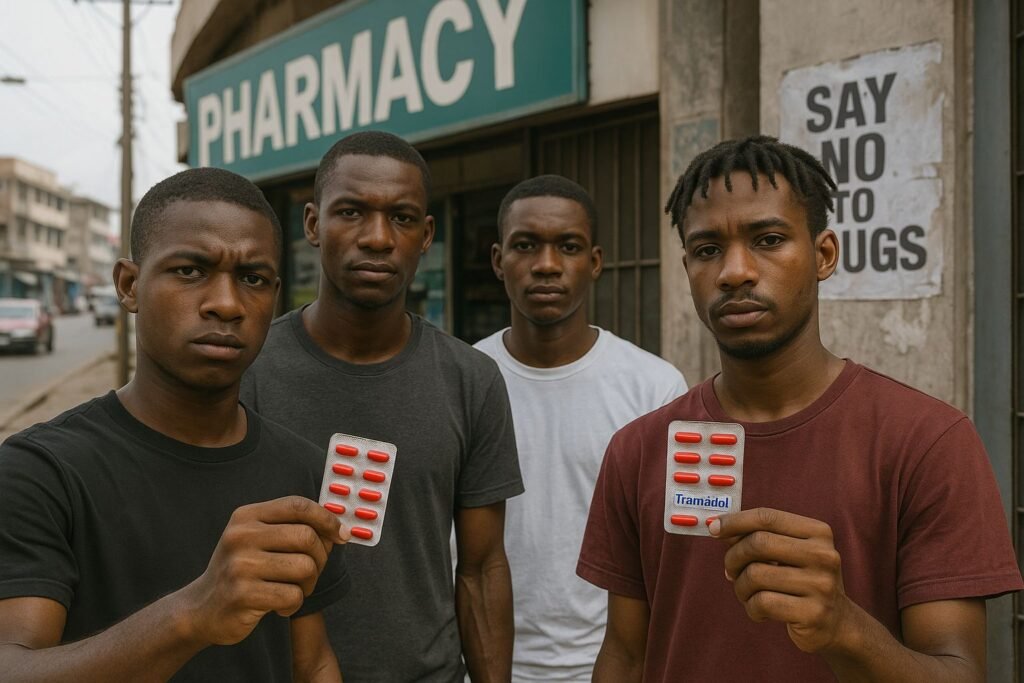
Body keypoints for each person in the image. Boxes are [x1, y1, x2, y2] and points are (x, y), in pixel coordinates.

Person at [577, 135, 1024, 681]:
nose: (734, 271)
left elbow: (962, 673)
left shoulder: (928, 441)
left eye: (768, 239)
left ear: (824, 255)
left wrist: (843, 628)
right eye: (707, 249)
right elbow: (625, 655)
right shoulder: (638, 450)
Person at [0, 167, 351, 682]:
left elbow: (312, 661)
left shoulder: (299, 468)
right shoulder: (40, 472)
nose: (227, 304)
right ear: (129, 285)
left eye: (252, 279)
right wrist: (192, 614)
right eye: (190, 270)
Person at [241, 131, 523, 683]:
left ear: (426, 235)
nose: (377, 238)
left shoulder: (471, 380)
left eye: (401, 217)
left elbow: (483, 569)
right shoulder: (246, 372)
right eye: (351, 212)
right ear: (312, 225)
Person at [474, 175, 686, 682]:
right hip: (477, 667)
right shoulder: (463, 380)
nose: (546, 265)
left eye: (567, 247)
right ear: (499, 260)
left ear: (593, 262)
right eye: (526, 246)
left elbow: (671, 557)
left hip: (611, 668)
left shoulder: (653, 388)